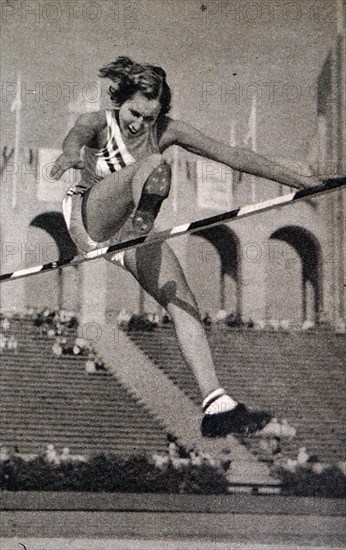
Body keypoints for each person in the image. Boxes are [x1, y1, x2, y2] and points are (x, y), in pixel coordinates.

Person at [51, 57, 319, 438]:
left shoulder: (167, 129)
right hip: (90, 215)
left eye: (150, 117)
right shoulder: (101, 121)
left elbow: (235, 156)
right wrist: (69, 152)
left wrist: (302, 181)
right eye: (135, 113)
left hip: (131, 233)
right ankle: (145, 217)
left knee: (183, 300)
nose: (140, 124)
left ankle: (216, 403)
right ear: (120, 100)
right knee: (153, 166)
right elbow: (77, 133)